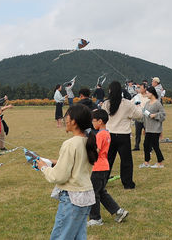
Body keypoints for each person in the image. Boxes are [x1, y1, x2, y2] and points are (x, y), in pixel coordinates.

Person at [36, 103, 97, 239]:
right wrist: (52, 162)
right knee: (78, 236)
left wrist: (44, 168)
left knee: (60, 236)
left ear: (74, 121)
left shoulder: (70, 144)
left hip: (72, 199)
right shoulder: (87, 141)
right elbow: (77, 165)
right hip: (85, 197)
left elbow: (59, 176)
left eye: (67, 116)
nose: (65, 120)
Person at [88, 109, 129, 226]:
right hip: (105, 166)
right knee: (101, 192)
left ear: (100, 121)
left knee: (94, 193)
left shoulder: (100, 135)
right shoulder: (107, 133)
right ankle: (119, 211)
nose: (92, 123)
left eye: (94, 121)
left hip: (98, 167)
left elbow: (97, 151)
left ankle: (96, 218)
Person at [101, 81, 143, 189]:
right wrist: (139, 106)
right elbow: (139, 115)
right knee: (126, 161)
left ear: (109, 90)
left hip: (109, 134)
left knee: (108, 160)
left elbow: (103, 118)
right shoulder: (127, 104)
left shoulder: (106, 104)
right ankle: (128, 184)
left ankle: (102, 182)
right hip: (123, 135)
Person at [139, 86, 166, 168]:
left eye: (147, 93)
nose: (146, 94)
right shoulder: (147, 103)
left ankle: (160, 162)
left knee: (155, 145)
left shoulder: (158, 103)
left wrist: (155, 115)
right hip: (148, 128)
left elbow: (163, 115)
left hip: (155, 129)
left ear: (152, 93)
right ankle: (146, 162)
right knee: (146, 145)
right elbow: (144, 115)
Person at [131, 83, 146, 151]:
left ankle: (149, 146)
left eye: (141, 88)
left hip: (146, 117)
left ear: (145, 89)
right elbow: (130, 103)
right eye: (139, 88)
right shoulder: (137, 96)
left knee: (148, 133)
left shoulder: (149, 96)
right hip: (138, 117)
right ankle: (137, 146)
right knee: (138, 133)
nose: (139, 89)